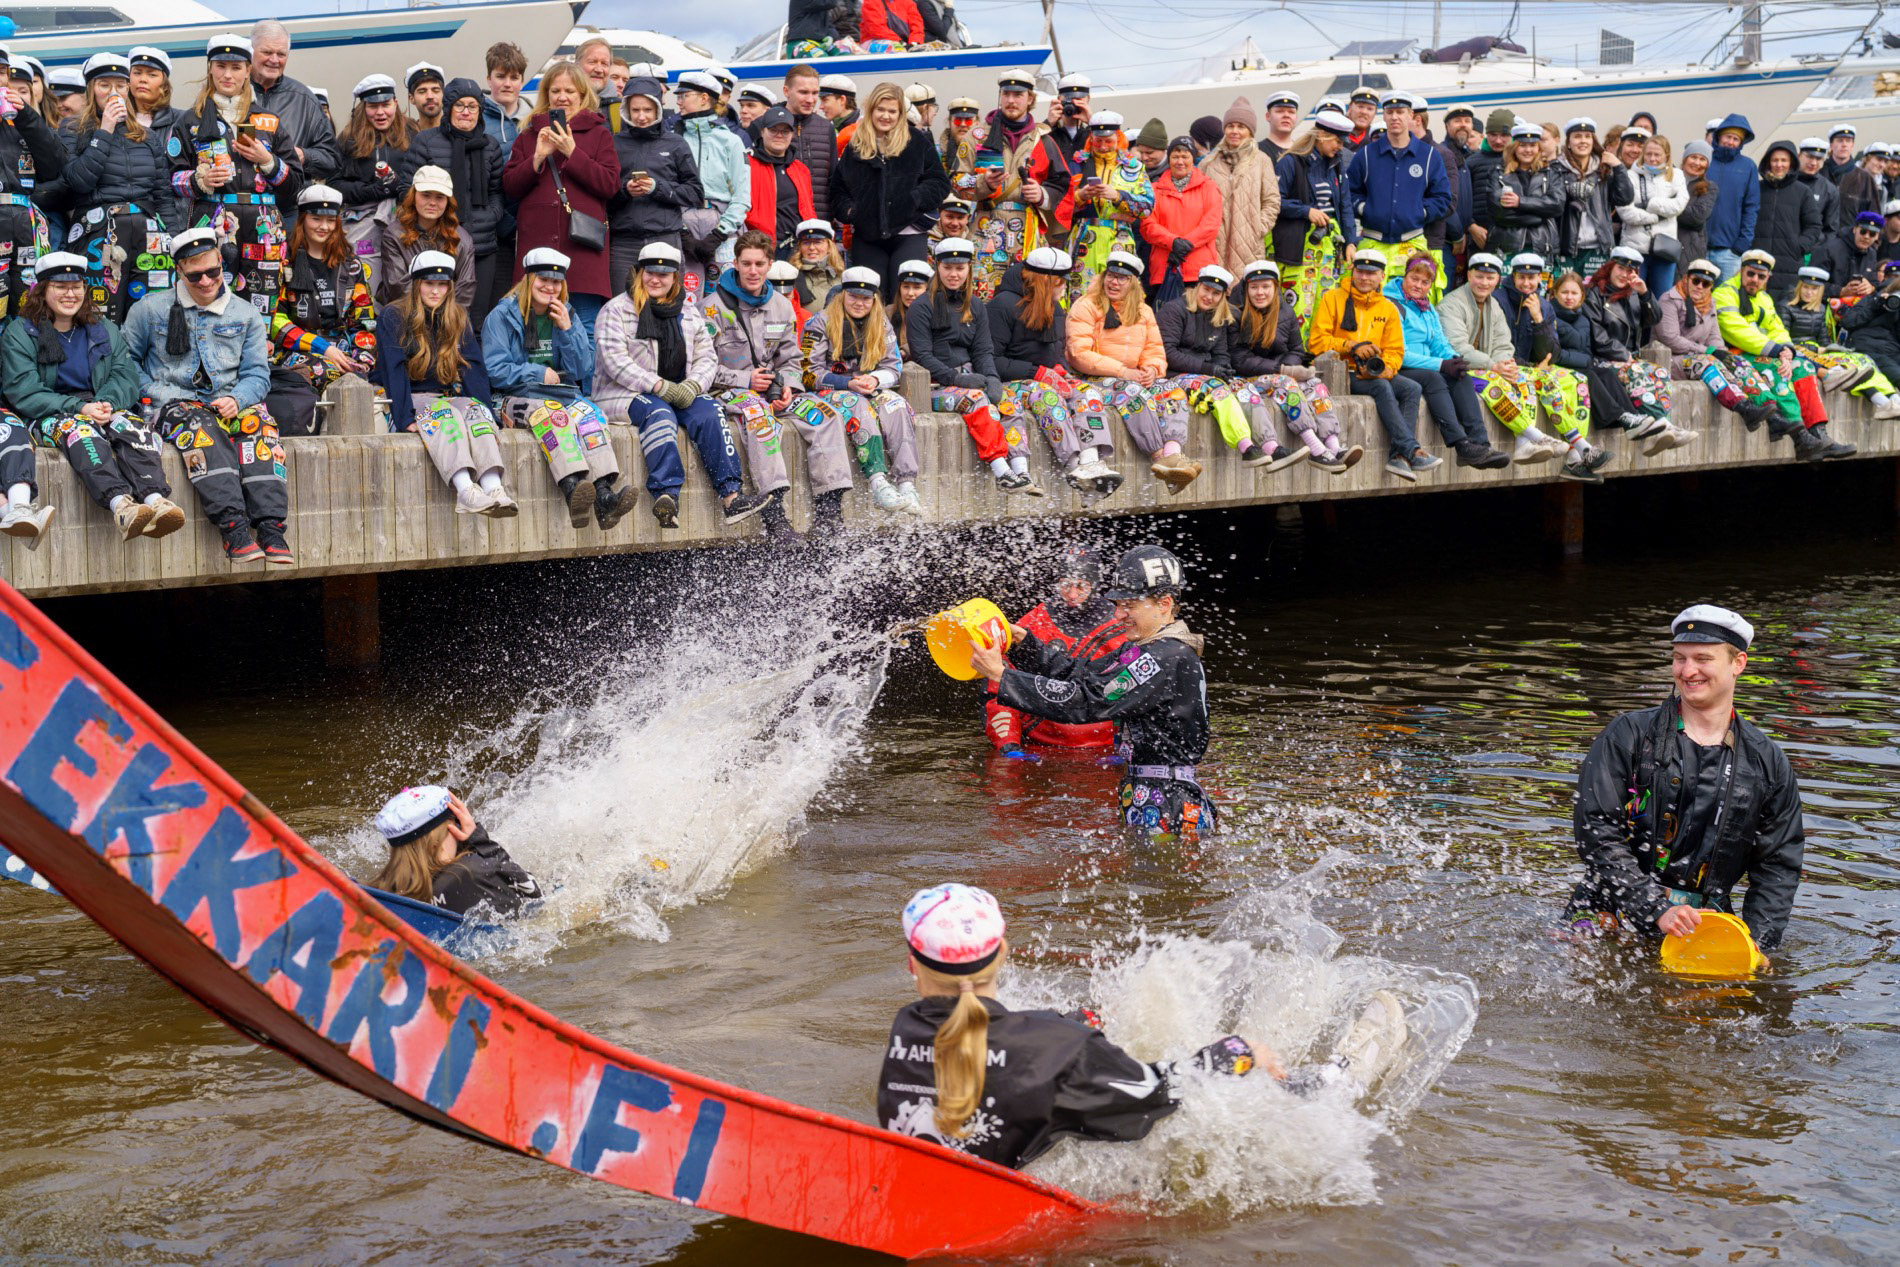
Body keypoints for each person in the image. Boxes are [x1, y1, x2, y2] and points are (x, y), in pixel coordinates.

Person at [880, 881, 1410, 1168]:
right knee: (1221, 1089)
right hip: (1014, 1180)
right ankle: (1340, 1079)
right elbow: (1158, 1092)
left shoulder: (907, 1027)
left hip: (966, 1176)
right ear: (1004, 954)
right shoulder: (1060, 1046)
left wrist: (1069, 1026)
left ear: (911, 966)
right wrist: (1238, 1050)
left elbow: (1000, 1040)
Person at [1565, 605, 1803, 955]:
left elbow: (1777, 864)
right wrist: (1656, 908)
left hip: (1707, 928)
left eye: (1702, 659)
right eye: (1680, 658)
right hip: (1609, 913)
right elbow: (1595, 829)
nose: (1688, 671)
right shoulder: (1628, 735)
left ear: (1738, 663)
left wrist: (1757, 945)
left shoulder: (1768, 762)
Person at [973, 544, 1215, 834]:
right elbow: (1084, 673)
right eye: (1118, 605)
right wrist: (1025, 644)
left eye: (1129, 606)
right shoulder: (1147, 650)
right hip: (1153, 791)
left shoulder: (1161, 657)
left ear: (1164, 604)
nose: (1119, 614)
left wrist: (1002, 676)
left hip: (1168, 800)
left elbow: (1086, 701)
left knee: (1156, 864)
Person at [121, 227, 289, 564]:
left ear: (221, 265)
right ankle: (233, 528)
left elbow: (258, 375)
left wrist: (238, 399)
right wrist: (158, 392)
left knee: (261, 428)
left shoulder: (245, 313)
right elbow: (125, 364)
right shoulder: (149, 309)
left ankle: (271, 528)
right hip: (173, 403)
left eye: (213, 271)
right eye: (195, 275)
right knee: (201, 428)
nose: (207, 281)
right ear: (179, 271)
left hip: (230, 401)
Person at [0, 252, 185, 541]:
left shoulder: (103, 328)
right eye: (60, 287)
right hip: (47, 413)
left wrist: (107, 402)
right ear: (42, 290)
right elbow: (23, 390)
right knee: (81, 431)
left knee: (132, 427)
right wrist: (80, 408)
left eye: (76, 286)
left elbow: (125, 375)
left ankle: (156, 500)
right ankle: (121, 505)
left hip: (99, 404)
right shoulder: (21, 332)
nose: (70, 294)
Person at [591, 241, 767, 529]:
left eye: (663, 274)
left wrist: (694, 386)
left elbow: (707, 356)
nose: (655, 279)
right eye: (650, 272)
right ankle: (666, 496)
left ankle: (732, 497)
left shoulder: (688, 311)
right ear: (639, 273)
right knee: (659, 413)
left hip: (680, 389)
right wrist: (660, 386)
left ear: (675, 277)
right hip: (625, 393)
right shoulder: (616, 310)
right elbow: (615, 362)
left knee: (711, 410)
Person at [701, 229, 856, 541]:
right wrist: (745, 379)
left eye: (759, 264)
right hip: (728, 391)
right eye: (746, 264)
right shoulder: (710, 308)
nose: (753, 271)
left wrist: (789, 387)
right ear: (735, 264)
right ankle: (775, 518)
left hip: (774, 390)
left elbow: (791, 359)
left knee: (826, 415)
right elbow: (700, 366)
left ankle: (829, 512)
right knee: (760, 419)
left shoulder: (781, 306)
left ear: (769, 264)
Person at [473, 245, 633, 528]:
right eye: (543, 279)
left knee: (591, 414)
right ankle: (572, 488)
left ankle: (604, 496)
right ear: (528, 279)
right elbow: (495, 371)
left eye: (556, 281)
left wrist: (568, 330)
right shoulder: (502, 316)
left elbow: (582, 369)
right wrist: (537, 372)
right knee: (553, 415)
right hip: (512, 397)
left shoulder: (565, 312)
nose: (550, 287)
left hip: (561, 394)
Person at [372, 248, 518, 518]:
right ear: (417, 284)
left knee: (475, 412)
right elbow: (394, 368)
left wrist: (488, 412)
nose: (436, 291)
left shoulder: (457, 316)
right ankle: (466, 491)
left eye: (442, 285)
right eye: (429, 283)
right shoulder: (394, 316)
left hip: (443, 394)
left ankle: (493, 487)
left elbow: (473, 367)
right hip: (408, 396)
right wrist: (404, 417)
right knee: (445, 415)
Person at [169, 34, 303, 319]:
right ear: (210, 69)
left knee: (262, 303)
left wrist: (268, 161)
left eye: (236, 67)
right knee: (209, 298)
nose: (228, 75)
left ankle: (260, 347)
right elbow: (172, 179)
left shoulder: (268, 121)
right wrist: (200, 181)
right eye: (221, 66)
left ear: (248, 70)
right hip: (213, 223)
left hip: (263, 225)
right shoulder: (190, 120)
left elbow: (294, 185)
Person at [906, 236, 1040, 494]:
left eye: (959, 268)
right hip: (936, 387)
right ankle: (1001, 471)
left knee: (1009, 401)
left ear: (969, 268)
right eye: (947, 268)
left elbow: (983, 350)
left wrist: (992, 377)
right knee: (977, 400)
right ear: (937, 267)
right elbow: (922, 356)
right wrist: (956, 379)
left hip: (972, 379)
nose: (953, 274)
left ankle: (1021, 469)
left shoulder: (976, 305)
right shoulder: (921, 307)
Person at [987, 247, 1121, 494]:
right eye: (1061, 282)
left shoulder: (1056, 307)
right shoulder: (1002, 305)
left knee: (1087, 392)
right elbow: (991, 360)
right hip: (1012, 384)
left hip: (1044, 377)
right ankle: (1074, 464)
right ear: (1044, 281)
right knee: (1047, 395)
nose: (1065, 287)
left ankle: (1091, 461)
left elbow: (1056, 351)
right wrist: (1037, 373)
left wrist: (1061, 370)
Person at [1067, 251, 1202, 494]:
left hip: (1133, 375)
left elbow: (1154, 350)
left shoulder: (1144, 311)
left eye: (1122, 278)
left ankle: (1173, 454)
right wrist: (1122, 371)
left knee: (1171, 389)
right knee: (1131, 392)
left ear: (1133, 283)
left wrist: (1152, 369)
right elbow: (1079, 354)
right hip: (1093, 378)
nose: (1114, 282)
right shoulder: (1086, 305)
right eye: (1111, 275)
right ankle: (1159, 456)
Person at [56, 53, 177, 323]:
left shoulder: (148, 136)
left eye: (120, 85)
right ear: (91, 89)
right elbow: (78, 181)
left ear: (128, 89)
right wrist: (105, 129)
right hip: (100, 233)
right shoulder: (71, 128)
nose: (114, 93)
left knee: (153, 314)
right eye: (104, 85)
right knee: (101, 315)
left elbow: (163, 195)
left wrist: (175, 241)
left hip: (149, 235)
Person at [502, 61, 619, 332]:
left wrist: (572, 153)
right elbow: (511, 187)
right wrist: (537, 157)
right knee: (534, 332)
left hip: (583, 255)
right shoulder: (529, 134)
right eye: (555, 91)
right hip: (537, 251)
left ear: (582, 94)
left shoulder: (599, 134)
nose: (562, 97)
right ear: (546, 94)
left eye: (570, 91)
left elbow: (610, 185)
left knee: (583, 329)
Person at [1157, 265, 1307, 471]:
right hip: (1175, 375)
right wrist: (1210, 369)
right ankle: (1246, 447)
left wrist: (1223, 370)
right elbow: (1168, 353)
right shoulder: (1175, 309)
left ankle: (1271, 446)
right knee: (1218, 389)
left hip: (1205, 374)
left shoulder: (1219, 315)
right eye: (1206, 290)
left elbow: (1221, 353)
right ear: (1197, 287)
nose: (1209, 297)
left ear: (1222, 296)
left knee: (1241, 386)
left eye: (1216, 293)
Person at [1713, 248, 1857, 462]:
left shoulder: (1764, 298)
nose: (1755, 280)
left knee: (1804, 367)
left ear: (1767, 278)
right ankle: (1801, 438)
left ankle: (1818, 433)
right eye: (1750, 273)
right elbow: (1737, 332)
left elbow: (1777, 329)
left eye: (1761, 276)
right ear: (1741, 271)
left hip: (1766, 352)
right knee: (1778, 370)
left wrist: (1787, 351)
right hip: (1736, 354)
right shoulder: (1724, 293)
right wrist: (1778, 352)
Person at [800, 264, 922, 512]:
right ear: (843, 293)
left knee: (896, 405)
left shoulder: (881, 323)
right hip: (830, 390)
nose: (859, 303)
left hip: (868, 386)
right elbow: (808, 374)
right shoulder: (820, 322)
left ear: (874, 299)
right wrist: (847, 383)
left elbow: (893, 366)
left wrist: (875, 379)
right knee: (857, 405)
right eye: (854, 296)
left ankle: (906, 483)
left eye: (866, 298)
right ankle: (878, 482)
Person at [983, 547, 1125, 755]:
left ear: (1095, 585)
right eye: (1065, 585)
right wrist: (1009, 746)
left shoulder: (1120, 625)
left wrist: (1123, 748)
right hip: (1036, 746)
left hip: (1105, 750)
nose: (1072, 594)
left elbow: (1136, 696)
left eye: (1081, 586)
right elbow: (1000, 687)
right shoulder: (1033, 622)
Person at [1308, 249, 1432, 481]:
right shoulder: (1332, 298)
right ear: (1353, 271)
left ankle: (1399, 458)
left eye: (1371, 273)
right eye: (1361, 271)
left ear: (1382, 276)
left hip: (1374, 371)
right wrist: (1350, 346)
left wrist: (1387, 368)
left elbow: (1395, 350)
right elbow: (1316, 342)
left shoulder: (1388, 307)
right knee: (1381, 387)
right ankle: (1410, 450)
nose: (1365, 277)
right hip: (1341, 372)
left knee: (1412, 388)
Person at [1229, 259, 1360, 474]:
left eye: (1265, 286)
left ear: (1275, 287)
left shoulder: (1286, 311)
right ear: (1246, 289)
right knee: (1286, 383)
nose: (1260, 293)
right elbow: (1238, 359)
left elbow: (1297, 350)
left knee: (1315, 384)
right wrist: (1283, 370)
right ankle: (1316, 449)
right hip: (1246, 379)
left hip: (1278, 374)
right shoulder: (1236, 313)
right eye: (1254, 287)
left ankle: (1334, 445)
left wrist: (1290, 367)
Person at [265, 185, 376, 435]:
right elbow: (275, 321)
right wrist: (322, 347)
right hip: (297, 352)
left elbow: (364, 320)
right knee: (329, 372)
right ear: (303, 219)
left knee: (357, 382)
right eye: (316, 219)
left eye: (330, 220)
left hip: (343, 352)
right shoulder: (284, 263)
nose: (324, 226)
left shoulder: (351, 265)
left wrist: (362, 359)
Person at [831, 82, 948, 298]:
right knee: (869, 298)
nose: (886, 116)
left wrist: (914, 200)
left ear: (900, 114)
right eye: (880, 109)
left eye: (892, 111)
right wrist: (852, 212)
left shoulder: (916, 141)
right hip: (868, 236)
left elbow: (939, 182)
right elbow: (838, 190)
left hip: (909, 233)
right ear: (871, 110)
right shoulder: (856, 146)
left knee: (907, 298)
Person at [968, 69, 1072, 302]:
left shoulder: (1043, 139)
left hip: (1027, 232)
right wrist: (983, 183)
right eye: (1006, 94)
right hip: (985, 228)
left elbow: (1062, 183)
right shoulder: (977, 136)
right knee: (980, 296)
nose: (1011, 100)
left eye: (1018, 95)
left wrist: (1042, 194)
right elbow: (956, 182)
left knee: (1029, 298)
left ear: (1030, 99)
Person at [409, 78, 507, 324]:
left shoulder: (490, 146)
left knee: (476, 319)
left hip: (483, 245)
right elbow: (407, 188)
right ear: (448, 107)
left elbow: (497, 190)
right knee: (436, 316)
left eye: (472, 106)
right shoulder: (426, 141)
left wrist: (492, 215)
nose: (466, 112)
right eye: (460, 105)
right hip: (437, 242)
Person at [370, 785, 541, 918]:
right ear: (437, 839)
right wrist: (481, 843)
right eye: (456, 822)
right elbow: (535, 896)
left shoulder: (382, 893)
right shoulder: (473, 871)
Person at [1654, 256, 1784, 430]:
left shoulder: (1710, 303)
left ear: (1711, 287)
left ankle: (1773, 415)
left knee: (1737, 362)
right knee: (1707, 361)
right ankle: (1744, 408)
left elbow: (1715, 337)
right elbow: (1670, 339)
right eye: (1696, 281)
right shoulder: (1669, 299)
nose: (1700, 286)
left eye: (1706, 284)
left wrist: (1724, 355)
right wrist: (1709, 351)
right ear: (1686, 279)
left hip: (1697, 358)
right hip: (1670, 360)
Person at [1346, 93, 1452, 295]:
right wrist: (1365, 209)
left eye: (1400, 112)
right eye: (1390, 112)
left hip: (1412, 245)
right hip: (1372, 244)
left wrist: (1419, 212)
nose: (1395, 117)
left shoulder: (1429, 155)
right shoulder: (1366, 155)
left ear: (1411, 115)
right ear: (1384, 115)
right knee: (1365, 303)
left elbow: (1442, 198)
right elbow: (1349, 193)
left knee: (1413, 305)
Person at [605, 75, 702, 295]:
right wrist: (625, 191)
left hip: (665, 238)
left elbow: (695, 193)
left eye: (648, 110)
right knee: (621, 306)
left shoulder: (675, 143)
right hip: (623, 243)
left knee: (666, 306)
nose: (641, 116)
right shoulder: (614, 143)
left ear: (658, 108)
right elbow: (602, 194)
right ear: (626, 109)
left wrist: (657, 188)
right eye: (635, 110)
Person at [1274, 109, 1356, 335]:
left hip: (1329, 248)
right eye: (1337, 141)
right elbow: (1274, 201)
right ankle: (1295, 350)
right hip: (1299, 247)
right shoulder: (1291, 162)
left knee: (1325, 304)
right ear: (1321, 135)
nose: (1340, 147)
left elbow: (1345, 205)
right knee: (1299, 304)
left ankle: (1319, 349)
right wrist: (1306, 211)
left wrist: (1351, 241)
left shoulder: (1337, 164)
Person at [1782, 265, 1900, 416]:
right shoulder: (1786, 306)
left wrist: (1830, 350)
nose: (1809, 292)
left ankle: (1891, 401)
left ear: (1820, 291)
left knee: (1861, 363)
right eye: (1806, 287)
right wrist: (1818, 349)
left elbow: (1824, 341)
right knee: (1853, 369)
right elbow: (1782, 340)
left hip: (1820, 352)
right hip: (1797, 351)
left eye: (1814, 289)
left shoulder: (1821, 309)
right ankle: (1884, 403)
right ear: (1799, 287)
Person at [332, 74, 412, 296]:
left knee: (403, 280)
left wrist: (401, 187)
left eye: (386, 105)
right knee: (363, 281)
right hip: (361, 222)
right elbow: (334, 184)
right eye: (373, 106)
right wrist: (369, 191)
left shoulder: (413, 133)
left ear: (396, 103)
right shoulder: (348, 138)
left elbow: (422, 177)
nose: (380, 112)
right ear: (362, 108)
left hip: (404, 218)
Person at [673, 69, 750, 298]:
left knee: (725, 298)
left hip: (722, 223)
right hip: (684, 223)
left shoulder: (730, 141)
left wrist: (719, 234)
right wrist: (681, 231)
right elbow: (668, 190)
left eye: (684, 95)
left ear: (704, 98)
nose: (678, 101)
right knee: (686, 296)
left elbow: (742, 196)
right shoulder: (674, 140)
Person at [1064, 111, 1153, 304]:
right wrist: (1080, 196)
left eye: (1109, 141)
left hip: (1119, 236)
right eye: (1098, 141)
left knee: (1120, 296)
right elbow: (1060, 206)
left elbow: (1147, 207)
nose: (1103, 147)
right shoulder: (1077, 164)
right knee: (1081, 295)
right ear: (1091, 139)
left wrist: (1118, 196)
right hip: (1084, 237)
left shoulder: (1134, 167)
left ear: (1119, 138)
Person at [245, 20, 338, 183]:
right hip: (241, 196)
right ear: (250, 52)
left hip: (290, 196)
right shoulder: (233, 93)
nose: (274, 60)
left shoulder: (305, 99)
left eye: (281, 54)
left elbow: (332, 159)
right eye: (267, 52)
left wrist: (303, 156)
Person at [1201, 96, 1282, 280]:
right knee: (1215, 291)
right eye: (1230, 126)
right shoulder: (1208, 163)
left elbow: (1272, 201)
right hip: (1214, 244)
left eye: (1241, 126)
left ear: (1250, 131)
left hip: (1249, 246)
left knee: (1246, 292)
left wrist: (1257, 228)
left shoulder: (1261, 160)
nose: (1235, 131)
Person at [375, 166, 475, 308]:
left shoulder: (462, 239)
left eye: (439, 197)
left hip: (450, 315)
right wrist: (429, 315)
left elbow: (465, 290)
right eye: (426, 195)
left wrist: (444, 316)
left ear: (448, 201)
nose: (432, 202)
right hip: (405, 313)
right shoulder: (394, 234)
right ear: (413, 196)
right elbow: (398, 287)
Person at [1552, 117, 1632, 281]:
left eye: (1587, 136)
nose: (1583, 141)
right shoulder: (1556, 169)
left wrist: (1619, 167)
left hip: (1599, 248)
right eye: (1577, 136)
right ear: (1568, 142)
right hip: (1566, 249)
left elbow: (1625, 198)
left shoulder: (1604, 169)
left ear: (1593, 140)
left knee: (1596, 293)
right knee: (1566, 293)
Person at [1481, 121, 1564, 276]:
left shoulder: (1551, 173)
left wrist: (1520, 202)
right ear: (1515, 147)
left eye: (1532, 145)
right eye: (1523, 145)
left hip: (1542, 245)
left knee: (1539, 290)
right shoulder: (1498, 172)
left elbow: (1557, 205)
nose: (1528, 150)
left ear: (1538, 148)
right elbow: (1498, 212)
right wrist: (1539, 216)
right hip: (1505, 246)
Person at [1619, 134, 1690, 293]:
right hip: (1634, 247)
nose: (1652, 159)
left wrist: (1651, 204)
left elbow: (1679, 205)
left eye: (1657, 155)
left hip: (1665, 248)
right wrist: (1657, 216)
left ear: (1666, 155)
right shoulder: (1630, 176)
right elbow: (1626, 212)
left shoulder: (1677, 175)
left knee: (1662, 296)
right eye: (1648, 154)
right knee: (1631, 295)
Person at [1752, 140, 1821, 303]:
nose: (1779, 165)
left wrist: (1797, 247)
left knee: (1783, 311)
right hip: (1757, 263)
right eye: (1775, 160)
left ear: (1791, 163)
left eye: (1784, 160)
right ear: (1768, 162)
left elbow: (1814, 226)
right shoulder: (1756, 188)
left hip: (1789, 265)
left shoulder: (1803, 191)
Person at [741, 104, 809, 259]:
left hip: (798, 246)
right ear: (762, 131)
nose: (779, 135)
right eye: (773, 130)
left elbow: (808, 208)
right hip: (762, 246)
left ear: (792, 134)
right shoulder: (747, 164)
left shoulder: (800, 169)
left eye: (785, 131)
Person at [1703, 114, 1761, 281]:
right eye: (1728, 137)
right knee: (1696, 294)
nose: (1730, 142)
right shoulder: (1705, 161)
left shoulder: (1748, 166)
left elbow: (1751, 207)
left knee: (1726, 295)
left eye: (1736, 139)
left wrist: (1742, 244)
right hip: (1699, 247)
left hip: (1729, 252)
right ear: (1719, 136)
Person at [782, 65, 833, 223]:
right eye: (803, 92)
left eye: (815, 93)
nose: (810, 100)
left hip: (819, 223)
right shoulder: (765, 126)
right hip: (781, 223)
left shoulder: (826, 128)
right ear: (786, 91)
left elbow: (833, 179)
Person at [1812, 210, 1882, 300]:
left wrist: (1870, 288)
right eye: (1863, 231)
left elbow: (1874, 282)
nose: (1866, 237)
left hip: (1858, 306)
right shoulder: (1828, 249)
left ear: (1877, 236)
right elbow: (1812, 283)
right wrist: (1841, 291)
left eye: (1872, 234)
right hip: (1827, 304)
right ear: (1855, 229)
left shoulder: (1872, 254)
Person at [480, 42, 533, 156]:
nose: (507, 84)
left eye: (514, 78)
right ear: (489, 80)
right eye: (501, 77)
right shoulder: (475, 119)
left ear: (522, 82)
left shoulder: (535, 119)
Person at [790, 218, 844, 314]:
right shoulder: (791, 277)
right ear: (800, 247)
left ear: (829, 246)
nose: (811, 247)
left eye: (818, 242)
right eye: (806, 242)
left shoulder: (842, 277)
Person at [1795, 137, 1841, 237]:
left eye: (1819, 159)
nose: (1813, 163)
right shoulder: (1785, 182)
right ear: (1799, 155)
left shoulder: (1830, 190)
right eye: (1809, 157)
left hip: (1813, 245)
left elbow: (1831, 230)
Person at [405, 61, 444, 132]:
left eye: (435, 90)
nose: (430, 96)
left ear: (444, 95)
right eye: (422, 91)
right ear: (411, 98)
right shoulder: (405, 137)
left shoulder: (458, 133)